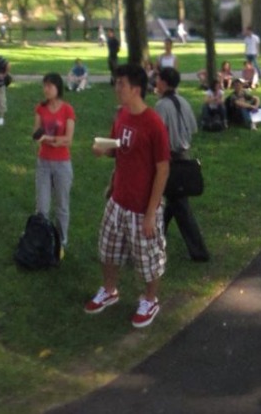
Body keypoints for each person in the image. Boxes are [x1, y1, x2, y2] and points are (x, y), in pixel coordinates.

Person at [84, 63, 172, 329]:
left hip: (142, 207)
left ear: (136, 89)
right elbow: (118, 148)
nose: (116, 88)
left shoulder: (153, 124)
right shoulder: (122, 115)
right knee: (107, 249)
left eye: (121, 84)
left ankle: (150, 300)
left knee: (148, 260)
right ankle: (109, 290)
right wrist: (103, 150)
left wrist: (151, 213)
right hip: (118, 200)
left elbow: (163, 170)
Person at [152, 68, 209, 262]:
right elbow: (192, 128)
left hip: (170, 160)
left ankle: (199, 251)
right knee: (172, 200)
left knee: (179, 206)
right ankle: (157, 234)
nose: (156, 82)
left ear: (164, 82)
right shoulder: (183, 101)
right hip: (183, 155)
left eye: (158, 79)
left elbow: (157, 135)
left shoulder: (162, 106)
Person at [34, 73, 78, 253]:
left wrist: (50, 139)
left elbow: (68, 140)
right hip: (44, 162)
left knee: (62, 205)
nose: (46, 89)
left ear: (58, 88)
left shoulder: (67, 110)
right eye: (44, 85)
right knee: (42, 206)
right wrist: (44, 137)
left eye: (49, 86)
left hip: (62, 164)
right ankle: (41, 238)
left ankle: (61, 240)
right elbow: (36, 133)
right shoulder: (40, 108)